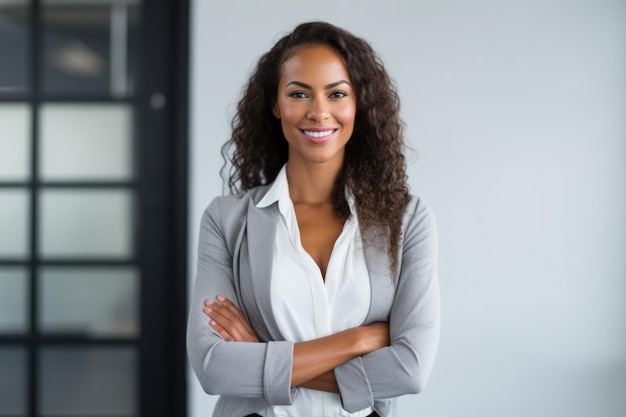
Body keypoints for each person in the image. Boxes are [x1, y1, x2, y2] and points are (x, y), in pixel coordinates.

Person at [187, 21, 440, 417]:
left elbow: (410, 370)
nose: (319, 112)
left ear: (359, 105)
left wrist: (259, 357)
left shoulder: (407, 219)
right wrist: (357, 341)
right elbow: (214, 368)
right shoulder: (226, 220)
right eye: (299, 93)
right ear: (275, 104)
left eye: (337, 93)